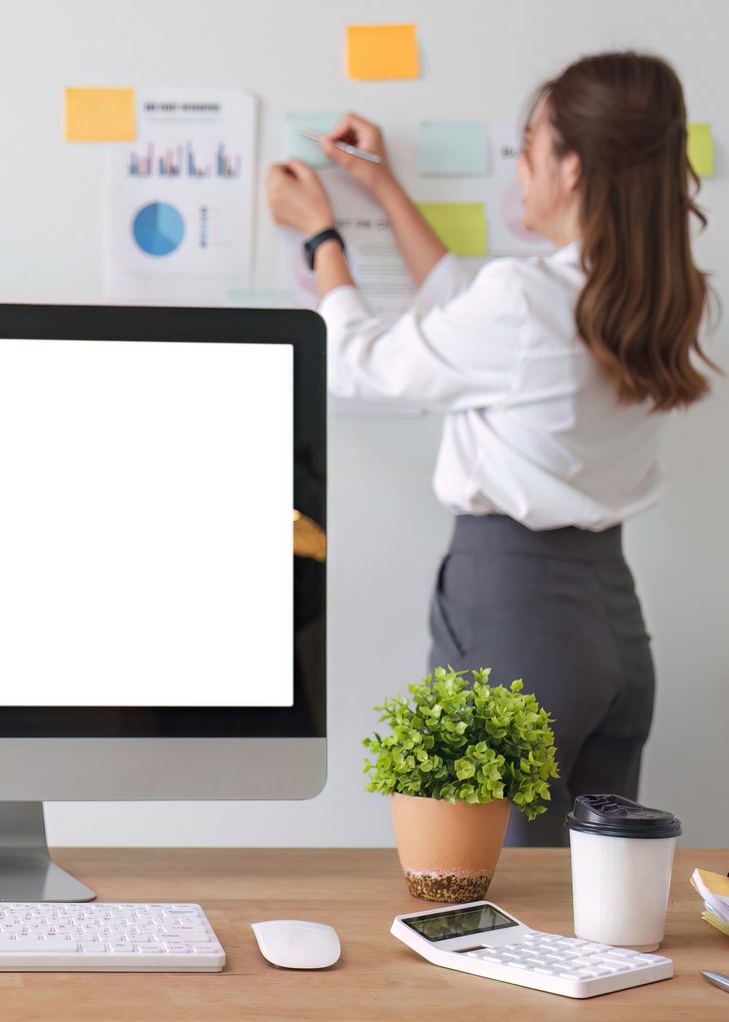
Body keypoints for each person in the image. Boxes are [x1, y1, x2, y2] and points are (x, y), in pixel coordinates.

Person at [265, 51, 716, 846]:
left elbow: (356, 364)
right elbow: (470, 318)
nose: (522, 167)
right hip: (611, 625)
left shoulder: (526, 304)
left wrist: (320, 236)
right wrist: (382, 187)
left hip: (513, 616)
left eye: (530, 146)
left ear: (571, 168)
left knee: (482, 900)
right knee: (587, 908)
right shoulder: (666, 298)